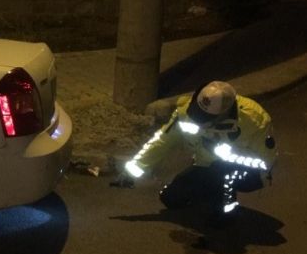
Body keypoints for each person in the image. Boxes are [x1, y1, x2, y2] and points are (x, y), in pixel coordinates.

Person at [111, 81, 277, 226]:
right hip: (205, 165)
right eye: (197, 113)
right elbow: (162, 141)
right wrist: (131, 172)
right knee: (171, 198)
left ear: (224, 113)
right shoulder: (186, 112)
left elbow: (264, 164)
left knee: (222, 172)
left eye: (206, 118)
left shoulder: (254, 120)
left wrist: (224, 154)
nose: (198, 120)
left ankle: (227, 211)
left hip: (247, 174)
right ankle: (210, 191)